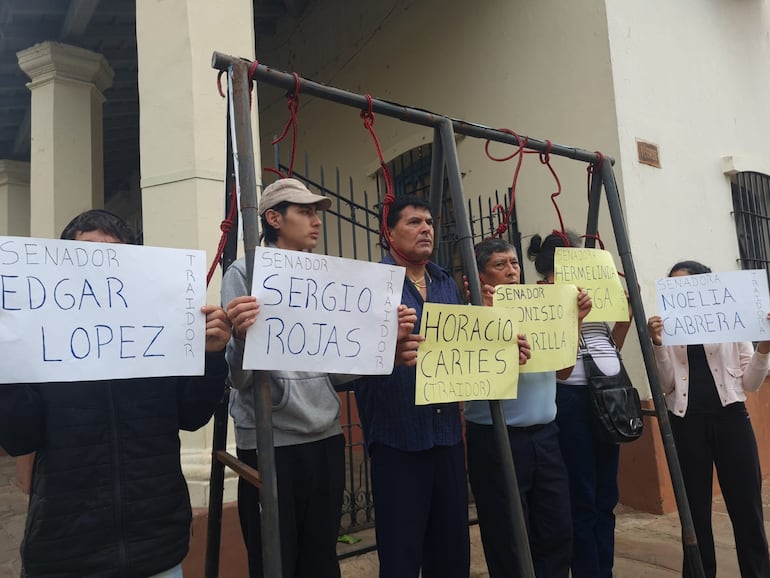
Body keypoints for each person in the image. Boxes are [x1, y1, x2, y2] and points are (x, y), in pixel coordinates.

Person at [0, 209, 231, 578]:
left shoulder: (156, 333)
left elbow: (191, 416)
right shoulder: (38, 344)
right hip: (65, 552)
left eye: (114, 256)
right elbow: (18, 437)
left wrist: (213, 357)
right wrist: (7, 367)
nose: (99, 266)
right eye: (86, 255)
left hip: (157, 546)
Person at [222, 178, 418, 578]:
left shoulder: (328, 276)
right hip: (268, 439)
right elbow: (239, 379)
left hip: (325, 435)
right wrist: (241, 338)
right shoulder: (244, 272)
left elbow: (339, 369)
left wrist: (386, 348)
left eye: (317, 213)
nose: (316, 221)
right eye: (305, 212)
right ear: (274, 218)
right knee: (274, 556)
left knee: (320, 556)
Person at [353, 195, 529, 578]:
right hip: (397, 439)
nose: (426, 229)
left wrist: (503, 345)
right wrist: (385, 349)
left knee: (451, 555)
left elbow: (464, 347)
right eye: (414, 222)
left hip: (447, 437)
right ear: (390, 231)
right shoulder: (370, 285)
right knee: (400, 557)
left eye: (429, 222)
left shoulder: (446, 282)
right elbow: (351, 360)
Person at [465, 237, 591, 578]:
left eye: (514, 263)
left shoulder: (541, 308)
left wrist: (575, 320)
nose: (510, 271)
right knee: (507, 534)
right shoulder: (470, 313)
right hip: (496, 438)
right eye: (499, 265)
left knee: (556, 528)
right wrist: (489, 320)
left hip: (546, 436)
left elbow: (564, 371)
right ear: (481, 275)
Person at [647, 260, 770, 578]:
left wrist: (764, 349)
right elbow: (666, 385)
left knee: (747, 510)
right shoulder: (670, 327)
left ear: (705, 288)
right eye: (671, 285)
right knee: (695, 514)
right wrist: (658, 344)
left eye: (684, 284)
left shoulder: (731, 321)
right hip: (686, 424)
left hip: (731, 421)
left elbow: (751, 384)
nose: (678, 291)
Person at [527, 230, 632, 578]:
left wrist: (624, 317)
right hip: (571, 398)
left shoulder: (596, 296)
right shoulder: (541, 298)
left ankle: (605, 568)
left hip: (609, 394)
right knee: (582, 496)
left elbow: (610, 345)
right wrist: (575, 317)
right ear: (549, 272)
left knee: (607, 495)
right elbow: (554, 357)